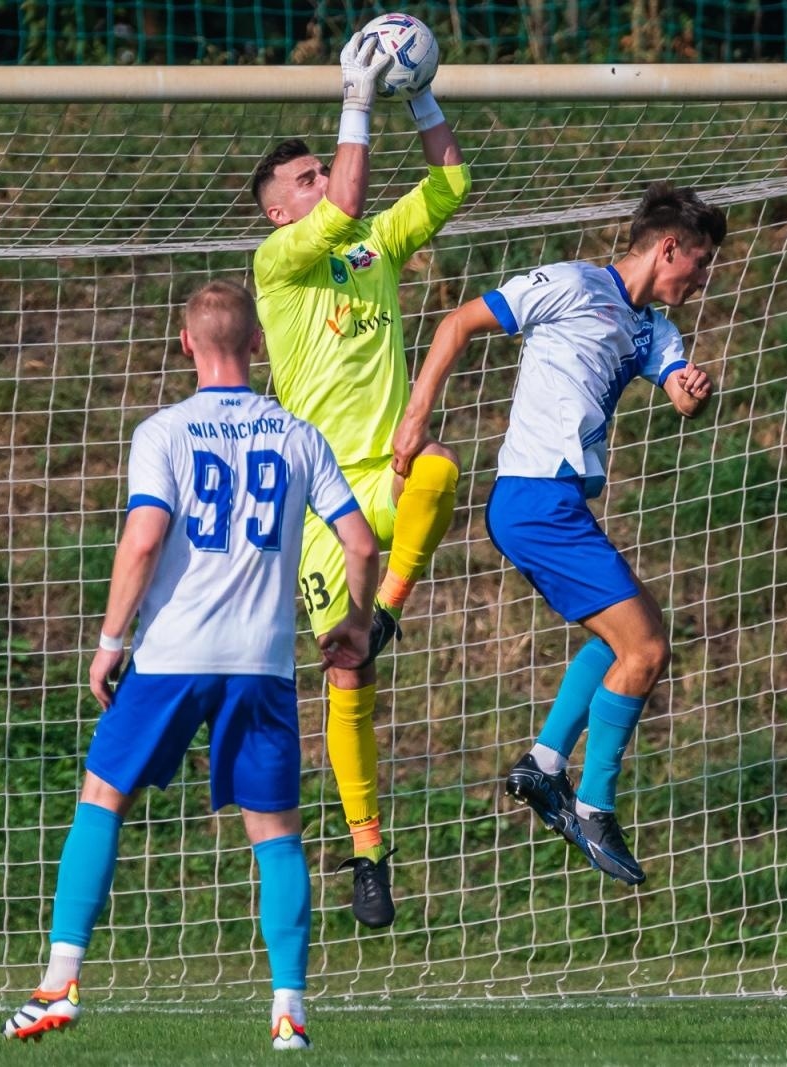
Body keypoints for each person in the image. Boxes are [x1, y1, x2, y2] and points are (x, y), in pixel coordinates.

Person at [0, 280, 379, 1050]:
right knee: (275, 831)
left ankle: (59, 982)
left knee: (103, 795)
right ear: (257, 345)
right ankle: (289, 1012)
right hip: (262, 661)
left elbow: (144, 539)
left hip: (172, 653)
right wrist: (357, 621)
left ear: (184, 345)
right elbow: (362, 543)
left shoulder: (164, 431)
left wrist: (111, 640)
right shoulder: (299, 434)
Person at [391, 181, 727, 886]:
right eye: (700, 263)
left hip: (559, 505)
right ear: (669, 248)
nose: (702, 279)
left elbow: (679, 394)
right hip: (533, 499)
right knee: (646, 649)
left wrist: (692, 392)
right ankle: (594, 806)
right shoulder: (572, 284)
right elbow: (458, 323)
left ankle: (544, 765)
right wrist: (416, 419)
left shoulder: (654, 330)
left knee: (626, 638)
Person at [250, 31, 470, 926]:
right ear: (279, 213)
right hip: (319, 503)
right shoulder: (277, 266)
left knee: (442, 467)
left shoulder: (373, 245)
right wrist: (357, 95)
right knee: (348, 681)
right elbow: (345, 201)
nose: (321, 182)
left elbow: (451, 185)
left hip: (386, 473)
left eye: (319, 171)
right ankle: (368, 851)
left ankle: (387, 609)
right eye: (302, 180)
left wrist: (419, 96)